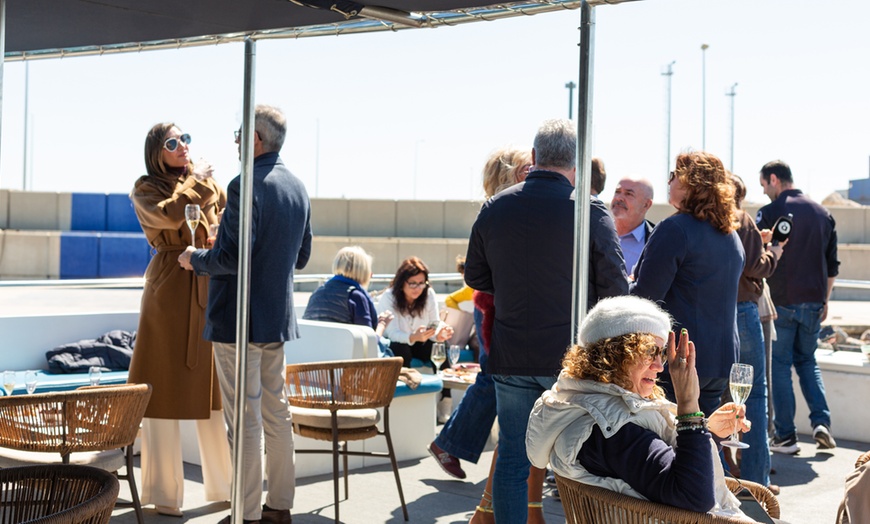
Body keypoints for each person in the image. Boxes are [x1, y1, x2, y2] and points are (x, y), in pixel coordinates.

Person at [465, 119, 628, 523]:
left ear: (534, 158)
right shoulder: (588, 209)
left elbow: (475, 277)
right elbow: (616, 287)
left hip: (512, 356)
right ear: (576, 163)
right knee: (580, 466)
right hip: (571, 359)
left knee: (513, 464)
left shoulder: (496, 206)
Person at [179, 104, 311, 524]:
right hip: (276, 318)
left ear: (257, 139)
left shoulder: (243, 186)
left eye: (239, 134)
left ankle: (246, 513)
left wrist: (195, 257)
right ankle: (281, 507)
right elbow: (301, 256)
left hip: (238, 320)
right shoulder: (298, 187)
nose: (236, 141)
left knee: (245, 421)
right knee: (277, 414)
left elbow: (231, 258)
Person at [527, 296, 753, 520]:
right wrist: (689, 407)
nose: (659, 366)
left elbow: (660, 467)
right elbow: (694, 498)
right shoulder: (612, 430)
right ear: (613, 355)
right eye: (648, 352)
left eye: (662, 354)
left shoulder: (599, 409)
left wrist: (707, 431)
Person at [128, 122, 231, 517]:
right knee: (161, 388)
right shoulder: (145, 187)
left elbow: (225, 217)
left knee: (214, 391)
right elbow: (170, 217)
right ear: (158, 151)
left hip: (207, 284)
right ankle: (163, 492)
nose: (183, 147)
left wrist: (217, 233)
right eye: (173, 142)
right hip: (169, 291)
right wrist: (199, 183)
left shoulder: (208, 183)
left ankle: (225, 484)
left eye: (185, 139)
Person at [631, 151, 744, 417]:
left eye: (674, 176)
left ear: (691, 183)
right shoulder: (731, 236)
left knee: (673, 445)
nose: (668, 182)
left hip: (681, 362)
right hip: (721, 362)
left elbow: (645, 300)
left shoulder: (676, 229)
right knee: (702, 445)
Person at [757, 159, 839, 453]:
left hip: (782, 303)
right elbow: (832, 267)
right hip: (815, 302)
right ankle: (821, 424)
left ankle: (786, 436)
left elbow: (755, 255)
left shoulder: (769, 212)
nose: (764, 191)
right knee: (807, 362)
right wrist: (825, 300)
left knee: (779, 366)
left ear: (774, 179)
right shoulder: (823, 213)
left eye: (764, 184)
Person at [731, 173, 783, 491]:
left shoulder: (701, 220)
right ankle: (755, 481)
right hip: (743, 312)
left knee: (713, 395)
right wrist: (773, 253)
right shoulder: (741, 219)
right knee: (755, 394)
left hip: (711, 314)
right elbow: (755, 267)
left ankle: (721, 477)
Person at [303, 246, 394, 357]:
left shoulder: (318, 293)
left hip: (315, 362)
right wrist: (382, 324)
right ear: (363, 271)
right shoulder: (355, 297)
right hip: (348, 366)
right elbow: (369, 343)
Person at [376, 256, 454, 369]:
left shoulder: (428, 293)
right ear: (402, 283)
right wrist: (413, 337)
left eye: (421, 283)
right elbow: (393, 334)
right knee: (401, 349)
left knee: (440, 346)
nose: (417, 288)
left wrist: (439, 334)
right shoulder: (389, 297)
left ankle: (445, 385)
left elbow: (434, 323)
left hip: (419, 343)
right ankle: (403, 383)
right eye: (412, 283)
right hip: (396, 344)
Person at [610, 176, 655, 276]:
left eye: (628, 194)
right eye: (617, 191)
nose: (619, 198)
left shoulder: (655, 243)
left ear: (646, 205)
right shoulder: (594, 232)